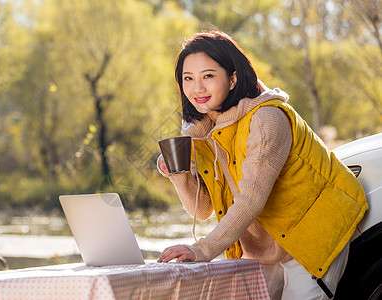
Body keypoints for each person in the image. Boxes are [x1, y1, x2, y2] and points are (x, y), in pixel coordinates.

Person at [156, 31, 367, 300]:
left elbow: (251, 198)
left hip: (313, 232)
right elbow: (203, 209)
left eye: (208, 76)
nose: (197, 88)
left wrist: (203, 249)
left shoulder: (267, 118)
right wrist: (178, 173)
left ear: (232, 78)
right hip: (265, 245)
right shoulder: (204, 130)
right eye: (188, 78)